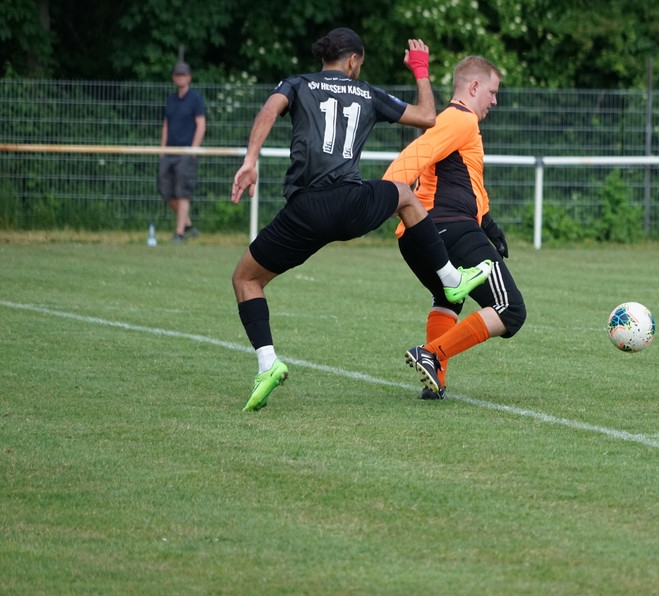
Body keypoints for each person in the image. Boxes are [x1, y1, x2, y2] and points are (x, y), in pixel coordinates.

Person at [230, 29, 492, 412]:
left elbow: (269, 110)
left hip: (305, 212)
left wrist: (251, 160)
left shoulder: (298, 84)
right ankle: (451, 279)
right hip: (351, 206)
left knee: (246, 279)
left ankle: (267, 363)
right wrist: (420, 70)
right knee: (405, 196)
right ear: (353, 60)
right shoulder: (367, 93)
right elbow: (427, 117)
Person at [384, 55, 526, 399]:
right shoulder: (460, 118)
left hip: (418, 237)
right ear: (474, 87)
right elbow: (413, 156)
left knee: (448, 298)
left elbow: (467, 183)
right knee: (510, 310)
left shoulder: (458, 123)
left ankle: (435, 381)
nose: (495, 100)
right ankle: (431, 354)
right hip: (449, 230)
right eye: (492, 92)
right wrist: (385, 196)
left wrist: (488, 224)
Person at [159, 60, 206, 242]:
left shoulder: (196, 99)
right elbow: (166, 124)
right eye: (177, 74)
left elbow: (201, 124)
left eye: (183, 74)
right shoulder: (171, 99)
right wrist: (162, 149)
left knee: (182, 192)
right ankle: (188, 225)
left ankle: (179, 233)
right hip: (169, 152)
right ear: (174, 78)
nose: (180, 77)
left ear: (189, 77)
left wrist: (193, 149)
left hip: (186, 153)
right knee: (166, 192)